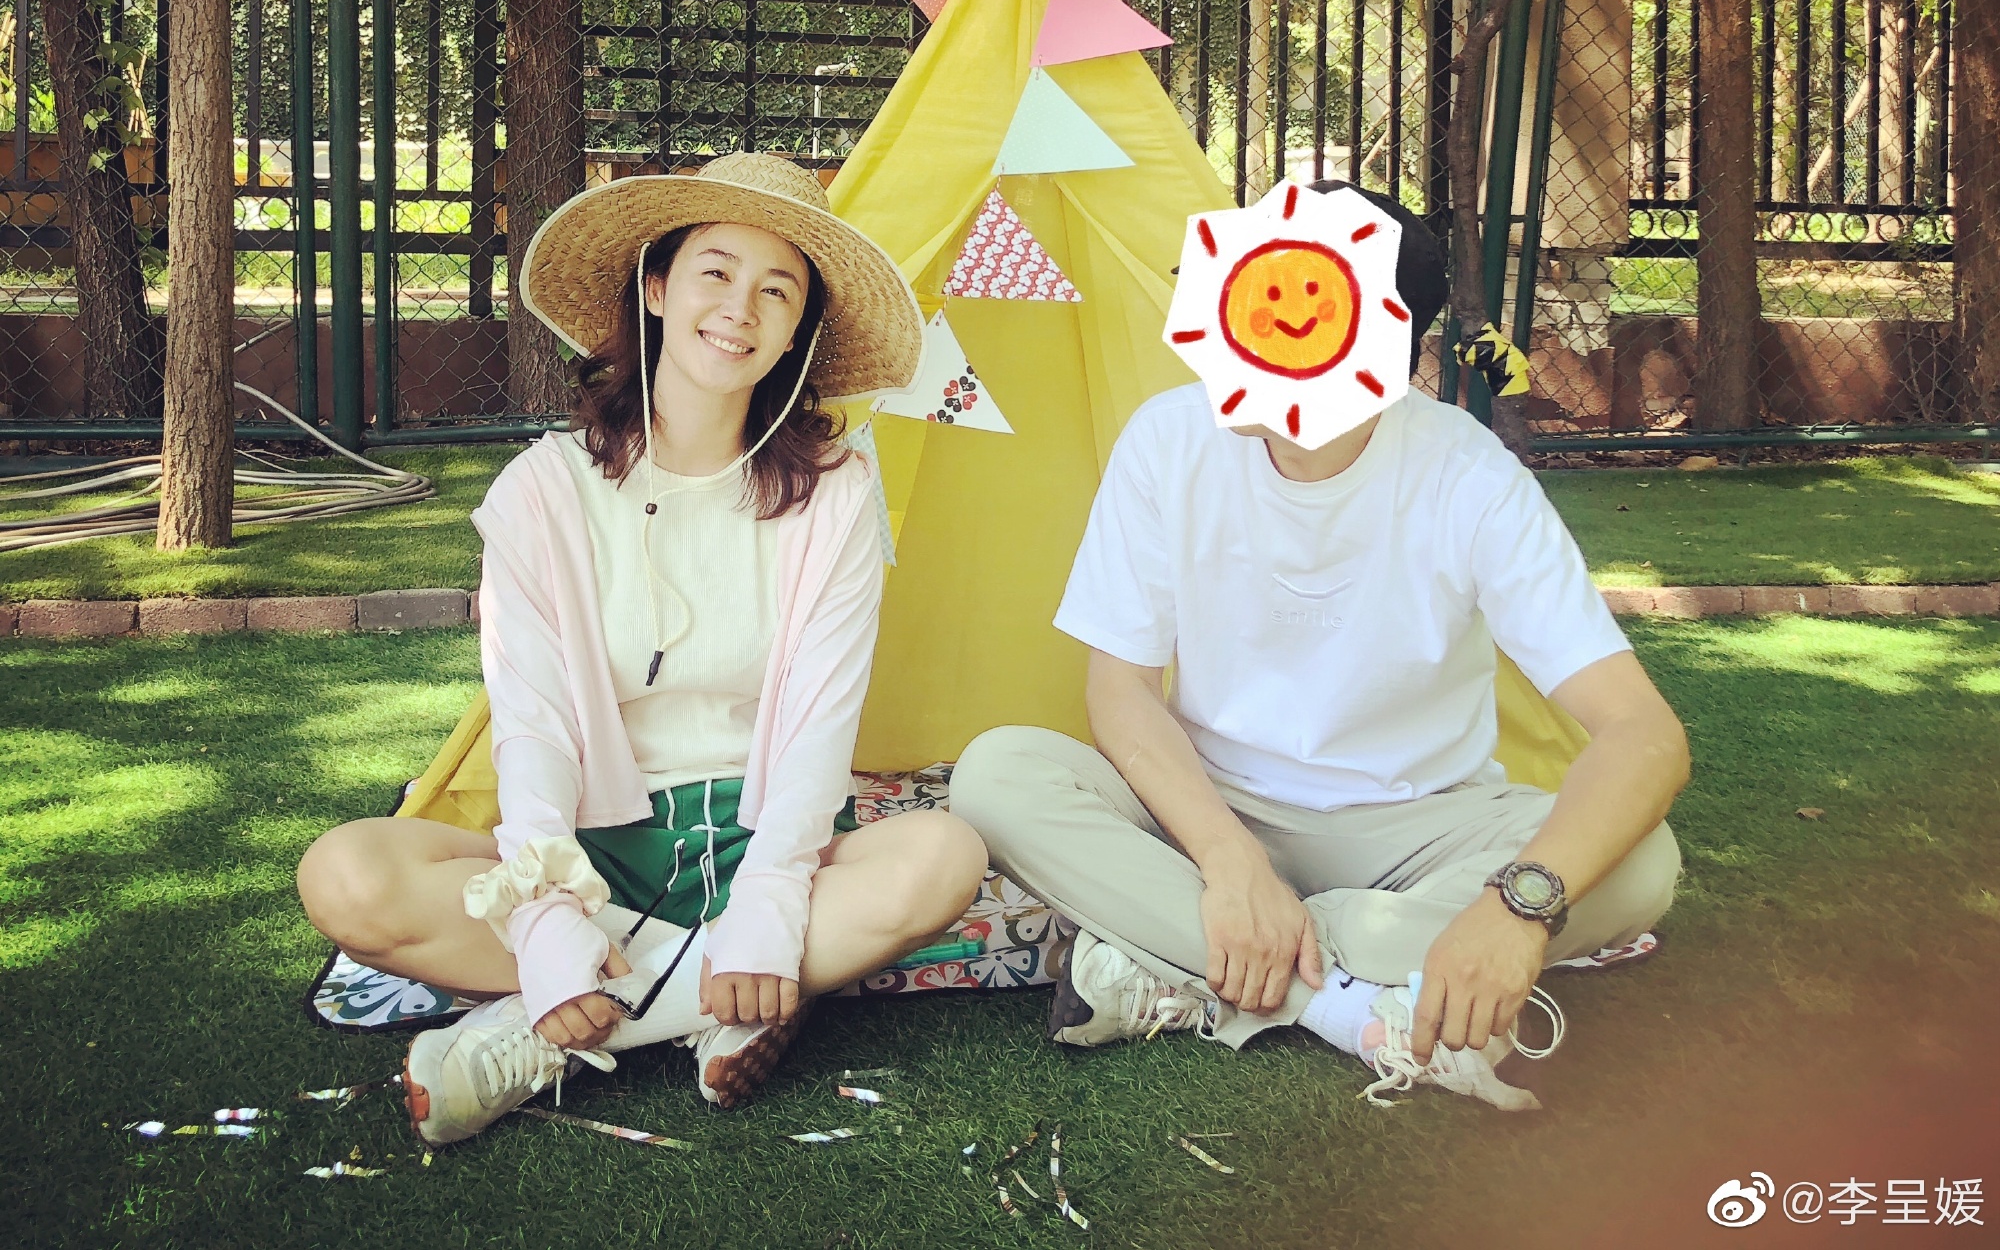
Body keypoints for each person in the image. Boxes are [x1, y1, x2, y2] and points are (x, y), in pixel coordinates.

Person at [949, 180, 1688, 1112]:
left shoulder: (1471, 479)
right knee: (999, 774)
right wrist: (1229, 861)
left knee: (1644, 860)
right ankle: (1351, 1003)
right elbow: (1121, 690)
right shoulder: (1167, 440)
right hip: (1207, 807)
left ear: (1383, 344)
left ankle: (1180, 961)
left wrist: (1514, 908)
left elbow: (1643, 735)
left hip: (1417, 828)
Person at [298, 154, 988, 1146]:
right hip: (596, 853)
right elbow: (532, 730)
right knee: (346, 874)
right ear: (656, 288)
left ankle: (540, 1033)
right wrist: (546, 918)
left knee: (943, 856)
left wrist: (769, 902)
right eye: (716, 271)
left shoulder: (835, 490)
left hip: (764, 838)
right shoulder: (542, 491)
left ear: (797, 331)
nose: (739, 309)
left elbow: (818, 723)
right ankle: (724, 995)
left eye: (777, 290)